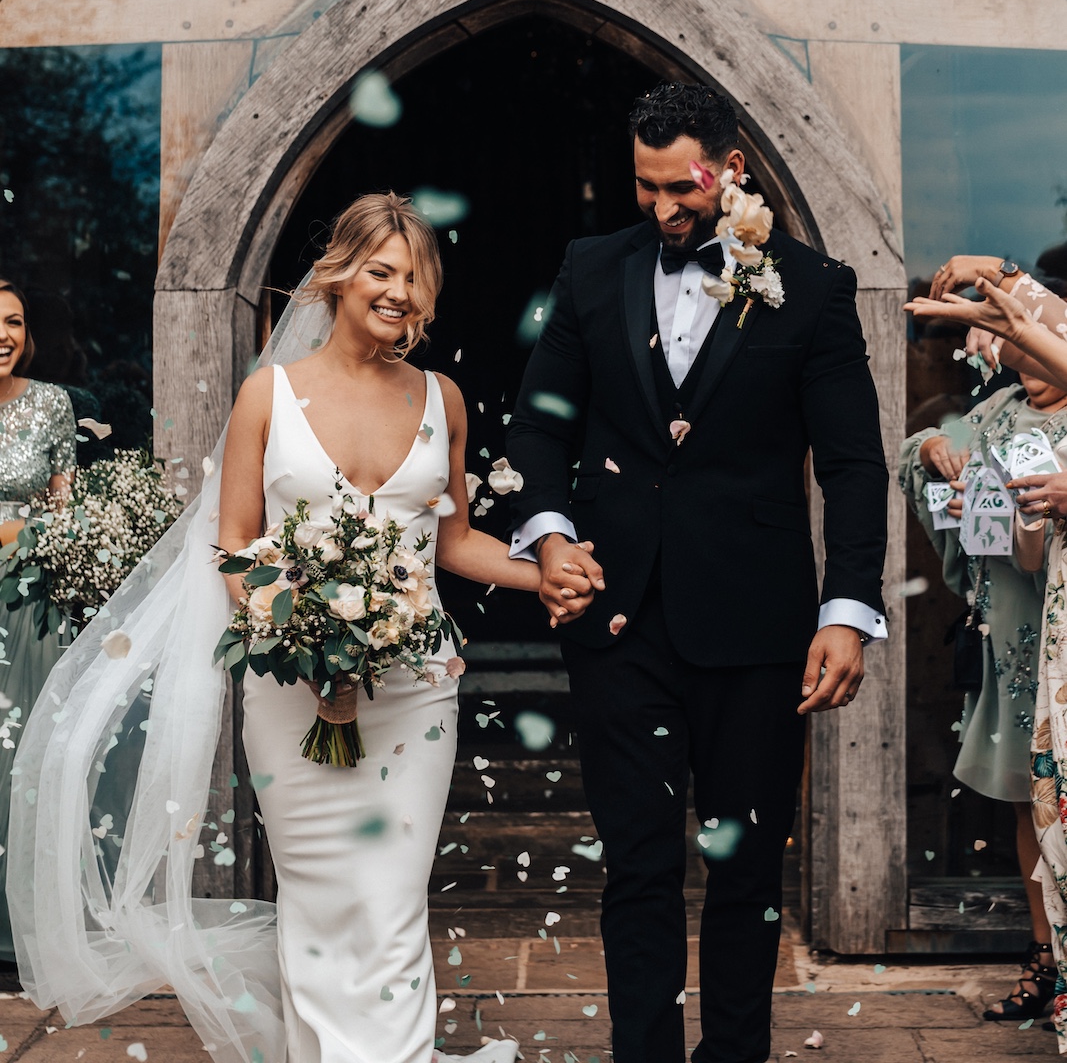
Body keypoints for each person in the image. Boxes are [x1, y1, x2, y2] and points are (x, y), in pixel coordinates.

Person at [9, 194, 588, 1063]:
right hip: (291, 687)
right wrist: (303, 636)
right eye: (382, 271)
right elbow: (234, 545)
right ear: (340, 275)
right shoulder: (266, 395)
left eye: (416, 278)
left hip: (415, 684)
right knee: (321, 896)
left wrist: (541, 568)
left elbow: (456, 538)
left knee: (391, 895)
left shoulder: (443, 397)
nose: (399, 292)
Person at [506, 81, 889, 1063]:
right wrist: (549, 536)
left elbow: (849, 463)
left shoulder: (811, 286)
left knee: (745, 868)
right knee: (634, 864)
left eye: (683, 187)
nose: (664, 209)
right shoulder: (589, 269)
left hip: (756, 629)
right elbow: (539, 425)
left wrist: (845, 608)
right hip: (615, 622)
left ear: (731, 166)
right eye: (646, 186)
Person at [899, 371, 1067, 1021]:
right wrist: (931, 448)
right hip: (1007, 628)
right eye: (1013, 350)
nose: (1025, 365)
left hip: (1056, 618)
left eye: (1037, 347)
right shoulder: (997, 406)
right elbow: (931, 448)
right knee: (1032, 801)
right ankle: (1043, 958)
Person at [0, 279, 76, 962]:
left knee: (24, 758)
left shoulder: (52, 404)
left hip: (27, 603)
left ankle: (22, 928)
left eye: (14, 321)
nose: (4, 334)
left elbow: (63, 508)